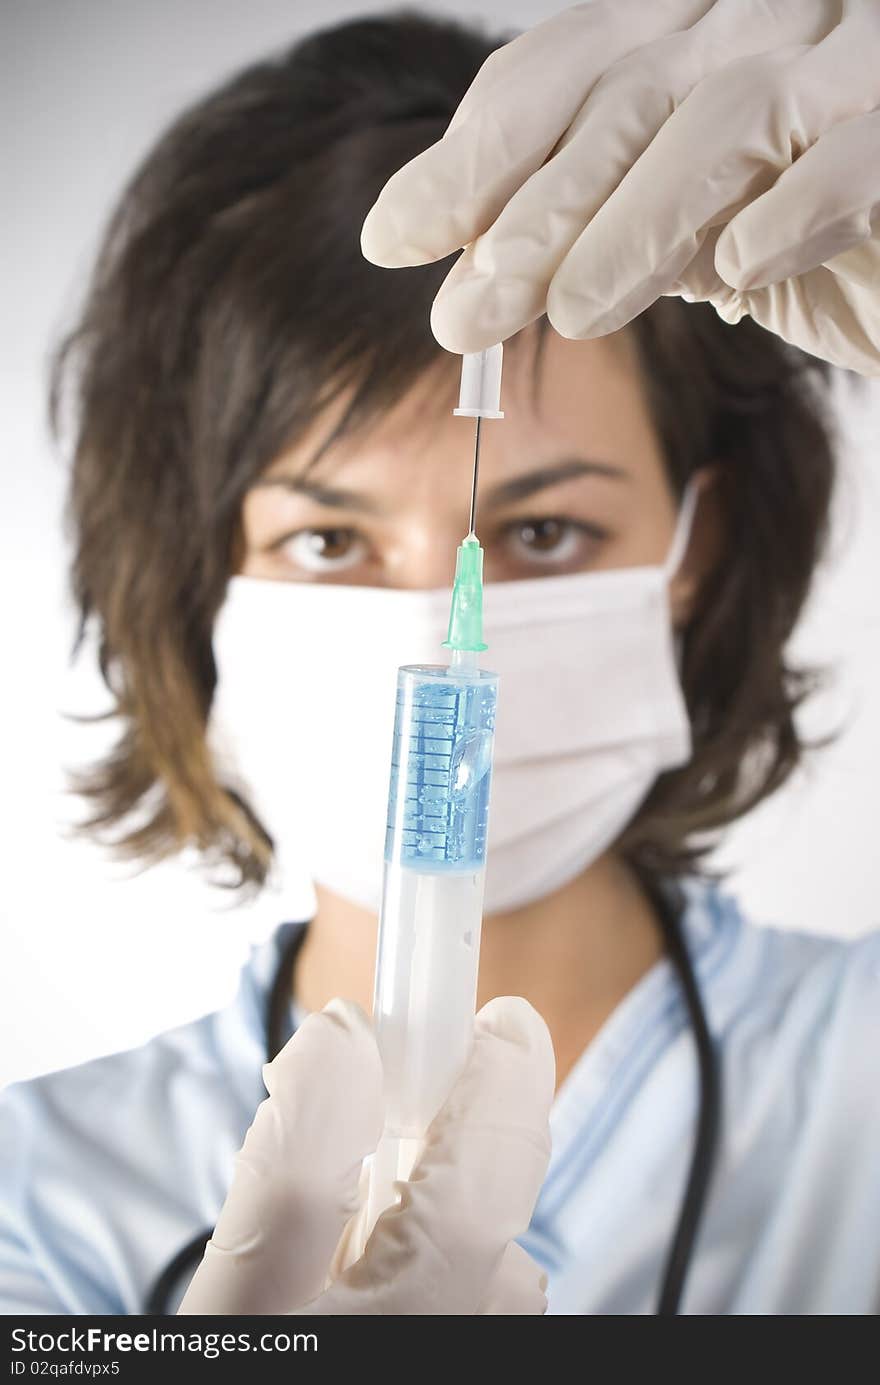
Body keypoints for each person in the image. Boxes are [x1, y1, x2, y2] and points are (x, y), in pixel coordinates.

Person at [2, 7, 879, 1317]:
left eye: (543, 528)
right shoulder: (45, 1197)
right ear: (199, 573)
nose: (434, 606)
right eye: (327, 536)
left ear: (697, 548)